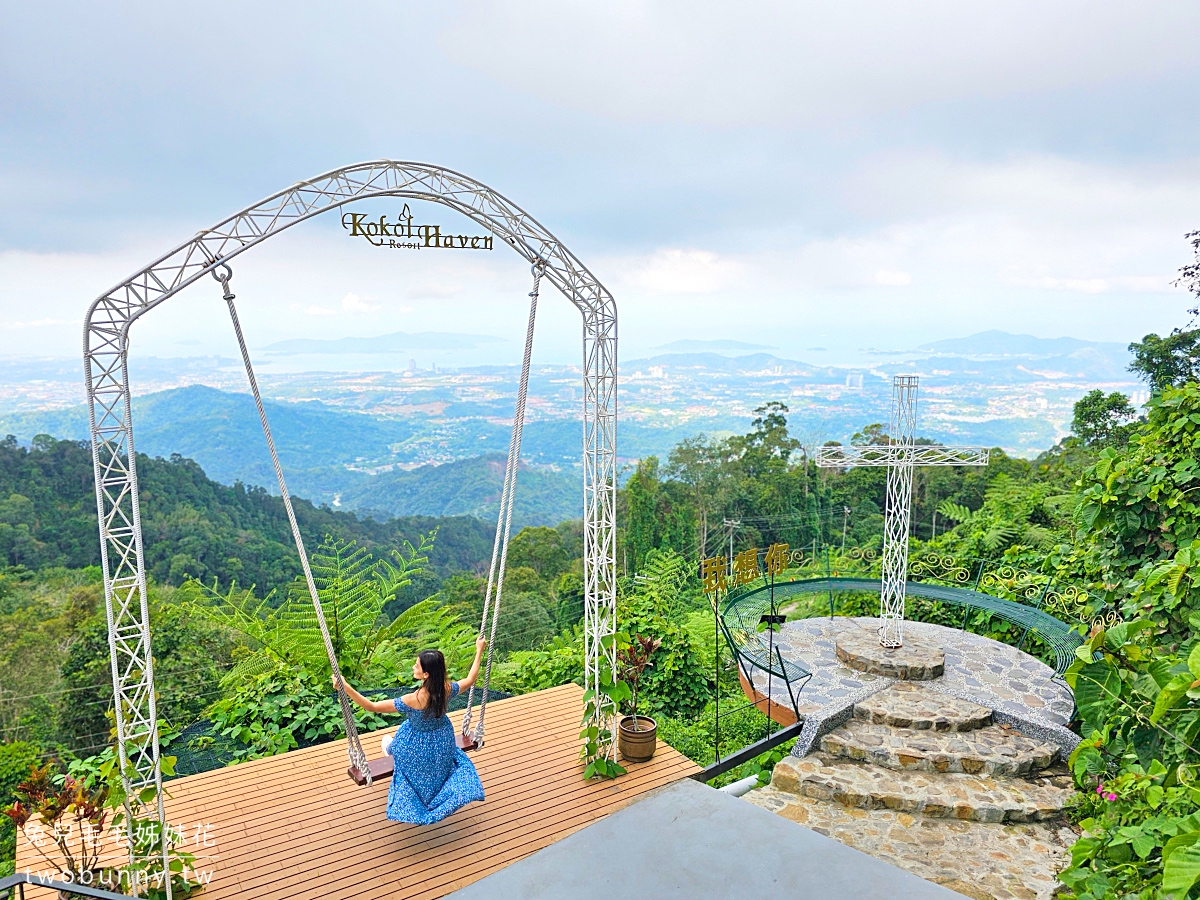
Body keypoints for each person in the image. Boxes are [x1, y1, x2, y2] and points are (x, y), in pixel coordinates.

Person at [339, 637, 487, 825]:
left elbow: (372, 706)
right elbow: (471, 678)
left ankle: (390, 749)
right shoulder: (446, 689)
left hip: (417, 744)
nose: (413, 668)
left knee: (399, 740)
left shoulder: (412, 699)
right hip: (443, 740)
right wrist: (479, 649)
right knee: (409, 736)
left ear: (426, 674)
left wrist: (346, 687)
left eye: (416, 666)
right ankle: (392, 748)